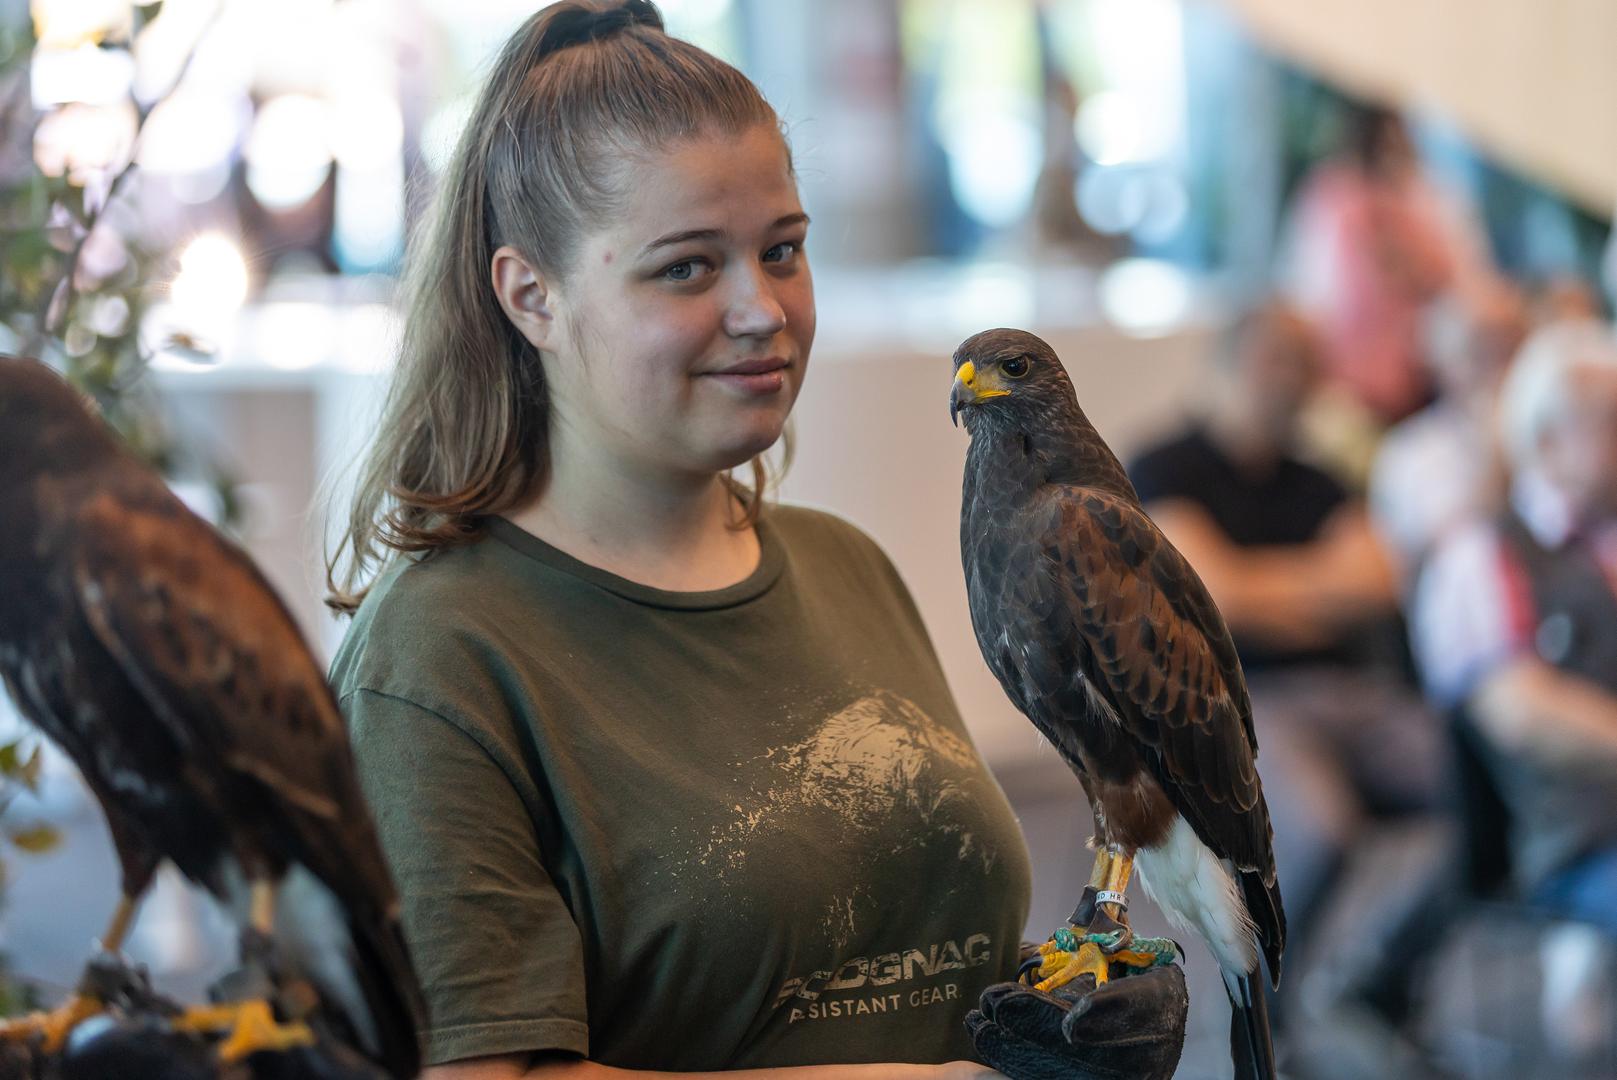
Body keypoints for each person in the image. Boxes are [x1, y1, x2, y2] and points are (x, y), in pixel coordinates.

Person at [322, 4, 1031, 1077]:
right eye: (689, 268)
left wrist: (1061, 1012)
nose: (764, 310)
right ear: (532, 296)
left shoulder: (849, 568)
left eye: (782, 250)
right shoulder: (438, 661)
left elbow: (903, 963)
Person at [1127, 300, 1437, 956]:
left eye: (1304, 362)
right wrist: (1317, 588)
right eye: (1275, 358)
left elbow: (1378, 583)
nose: (1291, 377)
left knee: (1490, 795)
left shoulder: (1317, 479)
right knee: (1321, 834)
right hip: (1234, 705)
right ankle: (1273, 1008)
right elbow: (1214, 594)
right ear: (1224, 362)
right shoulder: (1163, 465)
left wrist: (1254, 586)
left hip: (1349, 694)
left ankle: (1376, 984)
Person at [1411, 319, 1617, 932]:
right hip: (1573, 840)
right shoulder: (1482, 555)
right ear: (1548, 440)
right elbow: (1520, 713)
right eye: (1608, 418)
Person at [1369, 281, 1529, 580]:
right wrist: (1494, 448)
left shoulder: (1554, 436)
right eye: (1480, 350)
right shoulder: (1412, 452)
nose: (1499, 367)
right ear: (1441, 363)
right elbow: (1441, 550)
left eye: (1509, 347)